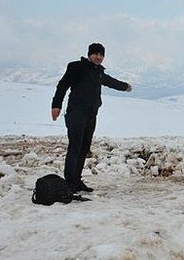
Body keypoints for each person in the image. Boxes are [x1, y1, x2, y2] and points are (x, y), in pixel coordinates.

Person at [51, 43, 133, 192]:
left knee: (84, 148)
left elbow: (110, 82)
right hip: (76, 113)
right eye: (96, 54)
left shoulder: (98, 72)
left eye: (101, 55)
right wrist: (56, 105)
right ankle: (69, 182)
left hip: (91, 115)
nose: (99, 57)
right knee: (75, 147)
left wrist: (125, 86)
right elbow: (62, 85)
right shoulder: (76, 67)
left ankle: (76, 180)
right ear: (89, 54)